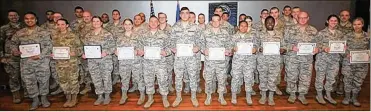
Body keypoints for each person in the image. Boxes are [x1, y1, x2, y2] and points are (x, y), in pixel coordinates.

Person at [11, 12, 52, 110]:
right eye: (26, 19)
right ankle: (35, 100)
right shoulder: (19, 33)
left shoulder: (44, 32)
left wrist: (40, 55)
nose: (29, 20)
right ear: (24, 20)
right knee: (29, 82)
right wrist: (14, 51)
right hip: (26, 63)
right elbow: (13, 44)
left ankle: (44, 98)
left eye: (32, 18)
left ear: (36, 19)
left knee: (44, 81)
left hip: (41, 62)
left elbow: (49, 46)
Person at [284, 11, 319, 105]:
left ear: (308, 18)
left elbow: (318, 43)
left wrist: (317, 48)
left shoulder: (313, 30)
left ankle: (302, 94)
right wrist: (291, 47)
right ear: (297, 18)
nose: (302, 20)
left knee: (306, 77)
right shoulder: (289, 29)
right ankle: (292, 94)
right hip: (293, 58)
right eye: (300, 18)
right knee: (292, 76)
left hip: (307, 59)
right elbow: (283, 43)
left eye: (305, 18)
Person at [170, 7, 202, 107]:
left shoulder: (195, 27)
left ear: (189, 15)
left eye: (186, 13)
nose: (184, 15)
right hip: (179, 58)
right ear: (180, 15)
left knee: (193, 76)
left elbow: (200, 41)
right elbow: (171, 41)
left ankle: (193, 96)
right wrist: (173, 48)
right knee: (178, 77)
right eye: (182, 13)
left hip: (191, 58)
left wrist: (197, 47)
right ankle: (178, 97)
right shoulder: (175, 27)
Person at [137, 16, 171, 108]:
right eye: (151, 21)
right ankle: (150, 98)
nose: (153, 23)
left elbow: (170, 48)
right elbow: (139, 48)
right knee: (148, 81)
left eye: (155, 21)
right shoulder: (143, 35)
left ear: (158, 23)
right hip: (147, 63)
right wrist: (140, 52)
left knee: (163, 80)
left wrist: (165, 52)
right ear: (148, 23)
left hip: (160, 63)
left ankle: (164, 98)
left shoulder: (164, 35)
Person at [81, 16, 115, 106]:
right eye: (94, 21)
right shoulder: (88, 35)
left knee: (106, 78)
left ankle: (107, 95)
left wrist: (106, 52)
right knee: (96, 78)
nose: (95, 23)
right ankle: (100, 96)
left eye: (97, 21)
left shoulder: (107, 34)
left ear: (101, 23)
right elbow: (84, 47)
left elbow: (113, 47)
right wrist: (84, 54)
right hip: (92, 62)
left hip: (105, 60)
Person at [201, 14, 233, 106]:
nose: (215, 22)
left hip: (221, 62)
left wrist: (228, 51)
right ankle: (208, 96)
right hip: (209, 62)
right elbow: (201, 44)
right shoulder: (205, 32)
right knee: (208, 79)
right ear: (211, 21)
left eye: (217, 20)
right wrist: (204, 50)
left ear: (220, 21)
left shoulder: (225, 33)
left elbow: (229, 45)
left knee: (221, 79)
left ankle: (221, 96)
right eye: (213, 20)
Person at [51, 18, 82, 108]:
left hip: (71, 63)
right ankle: (68, 97)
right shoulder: (54, 36)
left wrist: (75, 52)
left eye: (62, 24)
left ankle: (74, 98)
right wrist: (52, 54)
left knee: (73, 80)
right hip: (60, 63)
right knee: (63, 81)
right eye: (58, 24)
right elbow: (51, 48)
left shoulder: (73, 36)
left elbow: (80, 48)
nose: (60, 26)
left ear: (67, 25)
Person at [115, 18, 145, 105]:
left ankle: (142, 94)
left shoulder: (138, 36)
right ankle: (124, 95)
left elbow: (142, 47)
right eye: (126, 24)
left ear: (132, 25)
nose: (127, 26)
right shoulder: (120, 37)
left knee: (139, 78)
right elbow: (117, 48)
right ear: (123, 25)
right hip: (124, 62)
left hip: (136, 61)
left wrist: (138, 51)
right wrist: (116, 52)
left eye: (129, 24)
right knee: (124, 78)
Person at [314, 15, 344, 105]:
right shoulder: (321, 33)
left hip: (334, 60)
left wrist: (344, 47)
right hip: (322, 59)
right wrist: (324, 48)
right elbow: (316, 45)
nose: (333, 22)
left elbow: (343, 45)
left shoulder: (340, 34)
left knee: (331, 78)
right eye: (331, 20)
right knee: (320, 78)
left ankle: (328, 94)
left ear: (337, 22)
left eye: (335, 21)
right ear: (327, 21)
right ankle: (319, 95)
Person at [257, 16, 286, 106]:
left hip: (275, 61)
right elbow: (254, 46)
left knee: (272, 79)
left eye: (272, 22)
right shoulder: (260, 34)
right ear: (265, 24)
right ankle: (263, 95)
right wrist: (259, 49)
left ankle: (270, 96)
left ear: (275, 23)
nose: (270, 24)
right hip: (263, 61)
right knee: (263, 78)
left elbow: (285, 46)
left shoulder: (280, 34)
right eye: (268, 22)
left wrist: (283, 49)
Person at [341, 17, 369, 107]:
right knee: (347, 80)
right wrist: (346, 54)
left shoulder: (368, 36)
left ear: (363, 25)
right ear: (352, 25)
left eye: (359, 24)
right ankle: (347, 97)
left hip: (362, 64)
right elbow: (342, 49)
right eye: (354, 24)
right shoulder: (347, 36)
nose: (356, 26)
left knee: (358, 81)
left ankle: (354, 98)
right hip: (348, 63)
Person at [230, 20, 258, 105]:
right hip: (237, 62)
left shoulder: (252, 36)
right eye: (241, 26)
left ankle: (248, 96)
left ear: (248, 27)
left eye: (245, 26)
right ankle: (234, 95)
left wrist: (255, 49)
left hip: (248, 62)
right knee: (235, 78)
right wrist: (233, 49)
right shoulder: (234, 37)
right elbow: (229, 47)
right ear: (238, 27)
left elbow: (257, 46)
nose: (243, 27)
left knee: (249, 78)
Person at [0, 9, 25, 104]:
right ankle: (16, 95)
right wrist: (1, 57)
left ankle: (27, 93)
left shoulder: (24, 26)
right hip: (10, 57)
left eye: (15, 15)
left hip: (24, 56)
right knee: (13, 77)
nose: (13, 17)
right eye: (11, 15)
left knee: (25, 76)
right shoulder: (4, 29)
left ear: (18, 16)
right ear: (8, 17)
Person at [335, 10, 352, 95]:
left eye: (346, 15)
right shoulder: (334, 25)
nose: (344, 17)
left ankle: (341, 87)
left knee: (344, 72)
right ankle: (333, 86)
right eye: (342, 15)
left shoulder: (353, 27)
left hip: (346, 53)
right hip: (336, 53)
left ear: (349, 17)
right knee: (334, 70)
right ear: (339, 16)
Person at [77, 11, 94, 95]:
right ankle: (88, 86)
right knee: (85, 70)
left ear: (91, 17)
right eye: (84, 16)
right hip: (83, 52)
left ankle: (96, 86)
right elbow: (78, 39)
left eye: (87, 16)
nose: (86, 18)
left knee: (94, 70)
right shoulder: (80, 26)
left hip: (93, 52)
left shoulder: (95, 24)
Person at [158, 12, 175, 93]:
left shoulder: (171, 29)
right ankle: (161, 86)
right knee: (159, 71)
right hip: (158, 54)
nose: (161, 18)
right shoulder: (155, 28)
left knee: (169, 69)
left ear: (166, 18)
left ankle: (169, 84)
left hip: (168, 54)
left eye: (163, 17)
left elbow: (173, 41)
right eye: (160, 17)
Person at [106, 9, 124, 85]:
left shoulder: (123, 25)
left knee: (122, 63)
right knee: (114, 63)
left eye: (117, 14)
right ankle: (116, 77)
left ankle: (122, 78)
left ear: (119, 16)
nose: (115, 15)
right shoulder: (109, 26)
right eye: (114, 14)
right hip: (112, 47)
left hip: (121, 47)